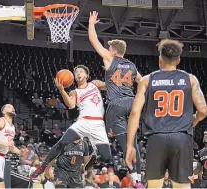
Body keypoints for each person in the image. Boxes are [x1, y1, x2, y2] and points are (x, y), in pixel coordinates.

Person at [125, 39, 207, 188]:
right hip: (182, 138)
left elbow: (135, 113)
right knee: (182, 186)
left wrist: (130, 146)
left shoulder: (146, 81)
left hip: (156, 139)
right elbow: (203, 110)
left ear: (160, 59)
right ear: (179, 60)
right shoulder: (190, 79)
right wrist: (194, 120)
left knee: (154, 185)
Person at [88, 11, 143, 185]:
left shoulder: (110, 58)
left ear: (113, 50)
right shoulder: (132, 65)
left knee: (125, 145)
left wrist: (91, 24)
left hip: (117, 105)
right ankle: (138, 178)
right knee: (133, 144)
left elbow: (93, 41)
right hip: (132, 103)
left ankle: (134, 179)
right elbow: (141, 82)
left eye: (109, 47)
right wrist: (104, 85)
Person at [30, 65, 113, 179]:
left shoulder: (94, 84)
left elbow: (111, 86)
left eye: (81, 71)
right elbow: (71, 105)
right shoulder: (74, 92)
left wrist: (111, 72)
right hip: (83, 121)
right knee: (62, 143)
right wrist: (62, 89)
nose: (78, 73)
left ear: (86, 75)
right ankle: (42, 167)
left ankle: (95, 157)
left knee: (108, 157)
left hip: (98, 124)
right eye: (76, 72)